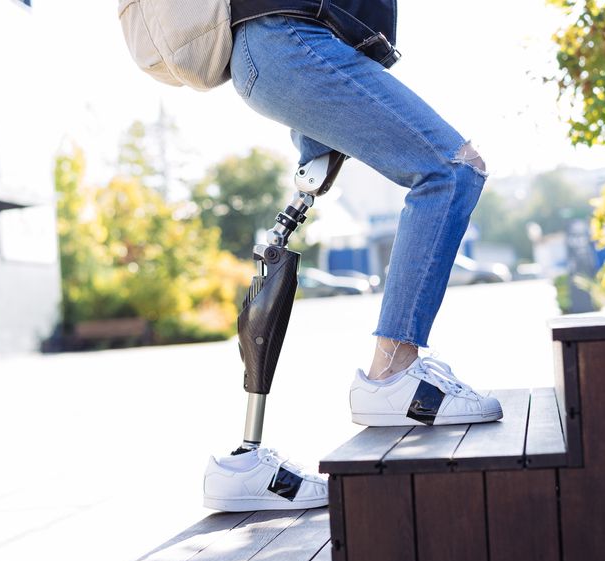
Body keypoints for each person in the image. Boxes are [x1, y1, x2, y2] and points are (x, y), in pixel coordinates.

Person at [202, 2, 503, 513]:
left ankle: (243, 463)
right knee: (451, 169)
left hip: (296, 42)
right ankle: (392, 376)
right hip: (291, 37)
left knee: (293, 217)